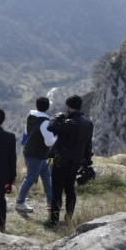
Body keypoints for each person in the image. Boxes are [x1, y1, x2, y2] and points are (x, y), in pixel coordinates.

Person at [45, 95, 95, 229]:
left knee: (57, 191)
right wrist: (87, 162)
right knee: (70, 189)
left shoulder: (69, 123)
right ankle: (68, 218)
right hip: (77, 161)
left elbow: (50, 127)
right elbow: (88, 144)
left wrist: (57, 117)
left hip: (62, 161)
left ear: (68, 106)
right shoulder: (88, 123)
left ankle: (54, 221)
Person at [15, 97, 57, 213]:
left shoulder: (31, 117)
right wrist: (57, 135)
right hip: (36, 154)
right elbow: (49, 142)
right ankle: (19, 202)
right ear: (48, 107)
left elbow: (26, 133)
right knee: (30, 178)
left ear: (36, 105)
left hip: (32, 152)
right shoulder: (45, 122)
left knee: (46, 176)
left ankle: (51, 201)